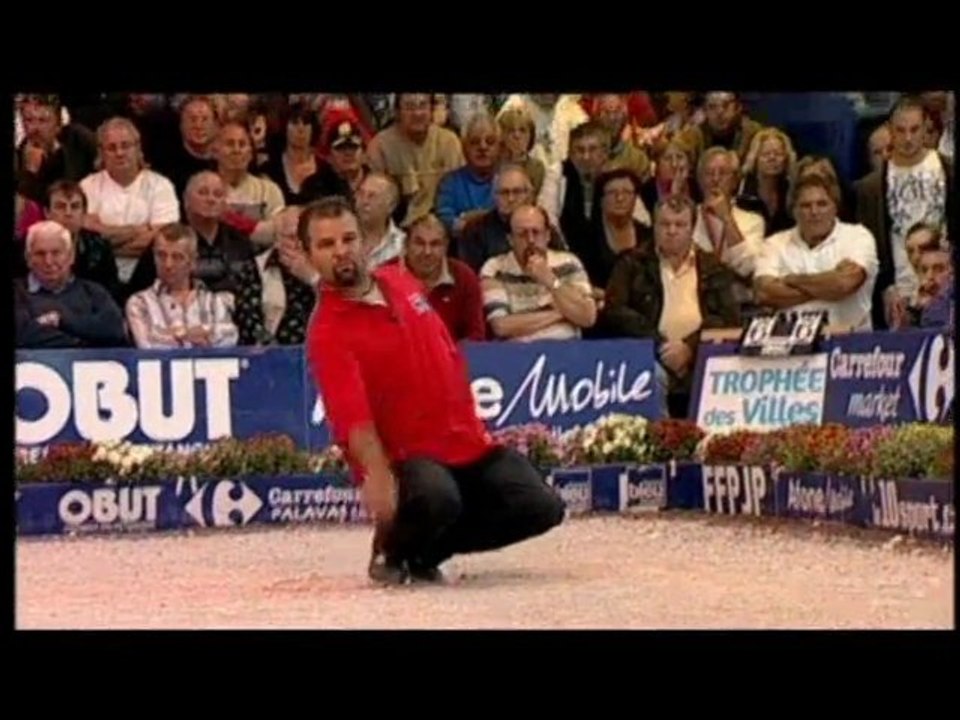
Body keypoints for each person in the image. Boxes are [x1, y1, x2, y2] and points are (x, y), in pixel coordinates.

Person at [301, 196, 565, 586]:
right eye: (326, 244)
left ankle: (428, 551)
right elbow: (350, 415)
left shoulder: (399, 280)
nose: (341, 251)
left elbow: (443, 347)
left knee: (543, 506)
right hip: (407, 456)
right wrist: (376, 474)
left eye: (348, 238)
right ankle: (391, 549)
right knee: (437, 497)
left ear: (363, 241)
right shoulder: (327, 332)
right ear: (309, 255)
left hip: (467, 442)